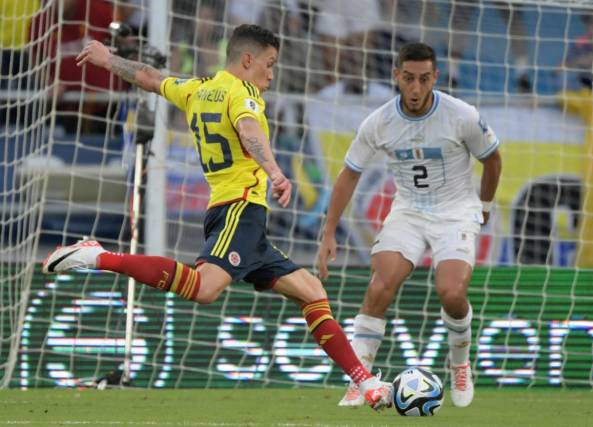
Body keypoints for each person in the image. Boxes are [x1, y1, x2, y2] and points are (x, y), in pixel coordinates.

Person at [43, 24, 392, 410]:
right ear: (247, 60)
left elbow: (150, 78)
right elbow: (248, 131)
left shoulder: (198, 88)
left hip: (241, 218)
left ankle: (364, 382)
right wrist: (275, 171)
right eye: (269, 64)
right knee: (205, 288)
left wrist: (109, 59)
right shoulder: (242, 93)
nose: (271, 74)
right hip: (238, 211)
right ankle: (98, 256)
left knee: (311, 293)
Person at [317, 42, 502, 408]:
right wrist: (328, 232)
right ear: (396, 76)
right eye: (408, 79)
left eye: (423, 79)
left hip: (455, 211)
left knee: (451, 292)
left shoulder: (461, 114)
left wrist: (484, 205)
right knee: (380, 285)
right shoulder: (379, 122)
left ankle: (460, 362)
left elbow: (493, 160)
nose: (416, 88)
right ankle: (361, 380)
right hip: (409, 211)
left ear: (435, 77)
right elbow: (349, 174)